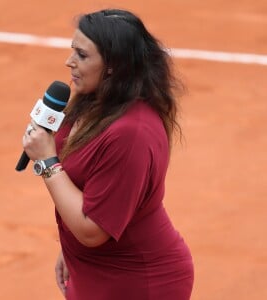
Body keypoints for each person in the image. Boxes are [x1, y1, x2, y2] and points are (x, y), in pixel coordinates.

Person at [23, 8, 194, 300]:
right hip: (94, 272)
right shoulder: (95, 103)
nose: (69, 62)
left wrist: (47, 161)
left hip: (137, 283)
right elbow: (87, 189)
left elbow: (92, 230)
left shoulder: (130, 134)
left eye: (82, 55)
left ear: (113, 65)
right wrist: (69, 248)